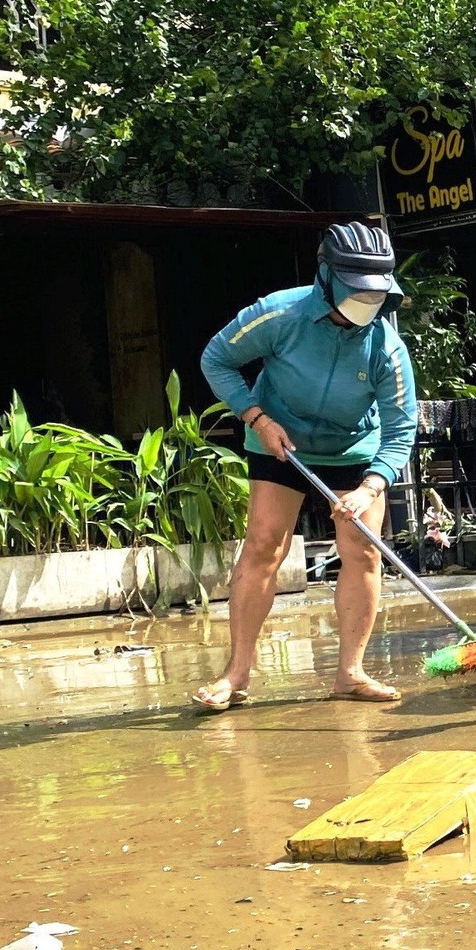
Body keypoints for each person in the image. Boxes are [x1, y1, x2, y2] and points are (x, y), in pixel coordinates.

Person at [190, 221, 418, 709]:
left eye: (376, 291)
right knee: (263, 547)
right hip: (280, 441)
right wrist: (256, 416)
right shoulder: (279, 314)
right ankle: (237, 673)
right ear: (328, 276)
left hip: (356, 451)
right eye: (357, 289)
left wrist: (370, 488)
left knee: (362, 552)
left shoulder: (388, 348)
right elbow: (217, 358)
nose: (367, 300)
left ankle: (350, 674)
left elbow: (401, 429)